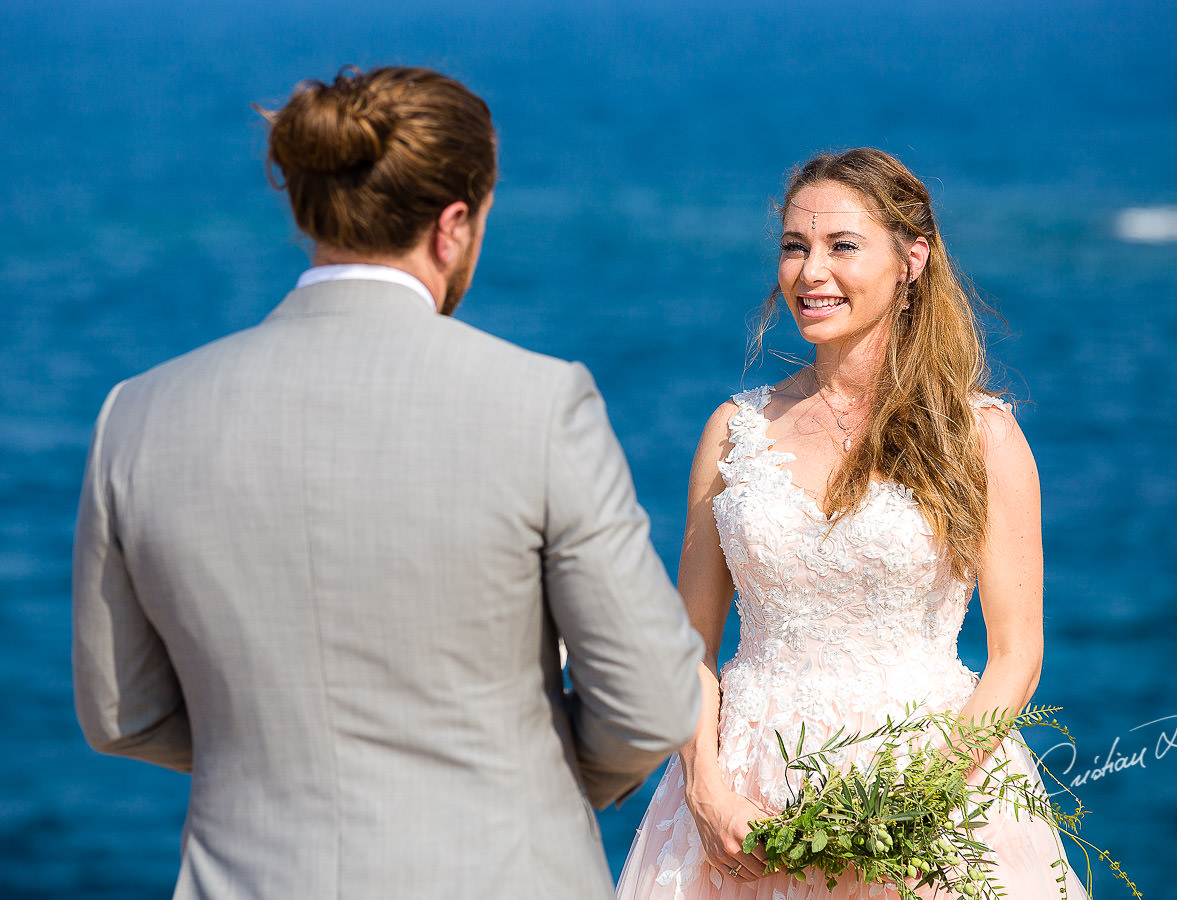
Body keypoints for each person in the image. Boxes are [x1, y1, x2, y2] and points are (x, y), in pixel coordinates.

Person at [72, 65, 704, 900]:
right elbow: (652, 704)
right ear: (453, 225)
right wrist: (523, 777)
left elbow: (123, 713)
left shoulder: (137, 415)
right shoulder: (540, 403)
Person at [616, 148, 1089, 899]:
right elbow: (691, 646)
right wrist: (705, 788)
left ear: (912, 260)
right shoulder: (733, 430)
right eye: (795, 248)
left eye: (842, 247)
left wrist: (915, 807)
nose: (811, 273)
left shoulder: (981, 436)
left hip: (932, 791)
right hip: (746, 798)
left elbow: (1016, 658)